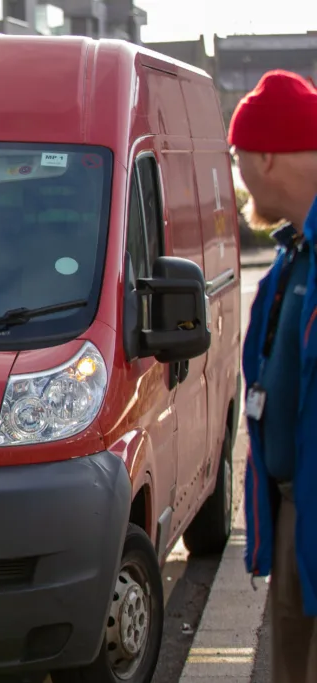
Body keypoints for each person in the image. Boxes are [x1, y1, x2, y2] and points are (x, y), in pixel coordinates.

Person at [234, 70, 317, 683]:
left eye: (238, 158)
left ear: (266, 156)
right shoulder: (294, 256)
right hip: (296, 510)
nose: (237, 175)